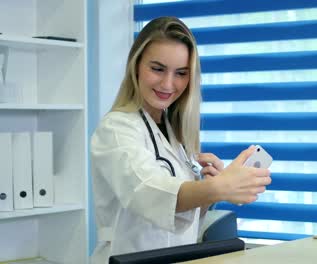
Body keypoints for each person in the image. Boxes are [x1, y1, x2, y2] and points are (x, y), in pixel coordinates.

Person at [90, 16, 272, 263]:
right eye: (157, 68)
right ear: (135, 66)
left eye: (181, 73)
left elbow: (181, 224)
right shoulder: (116, 129)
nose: (168, 84)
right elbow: (147, 192)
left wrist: (210, 190)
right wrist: (218, 188)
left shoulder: (173, 135)